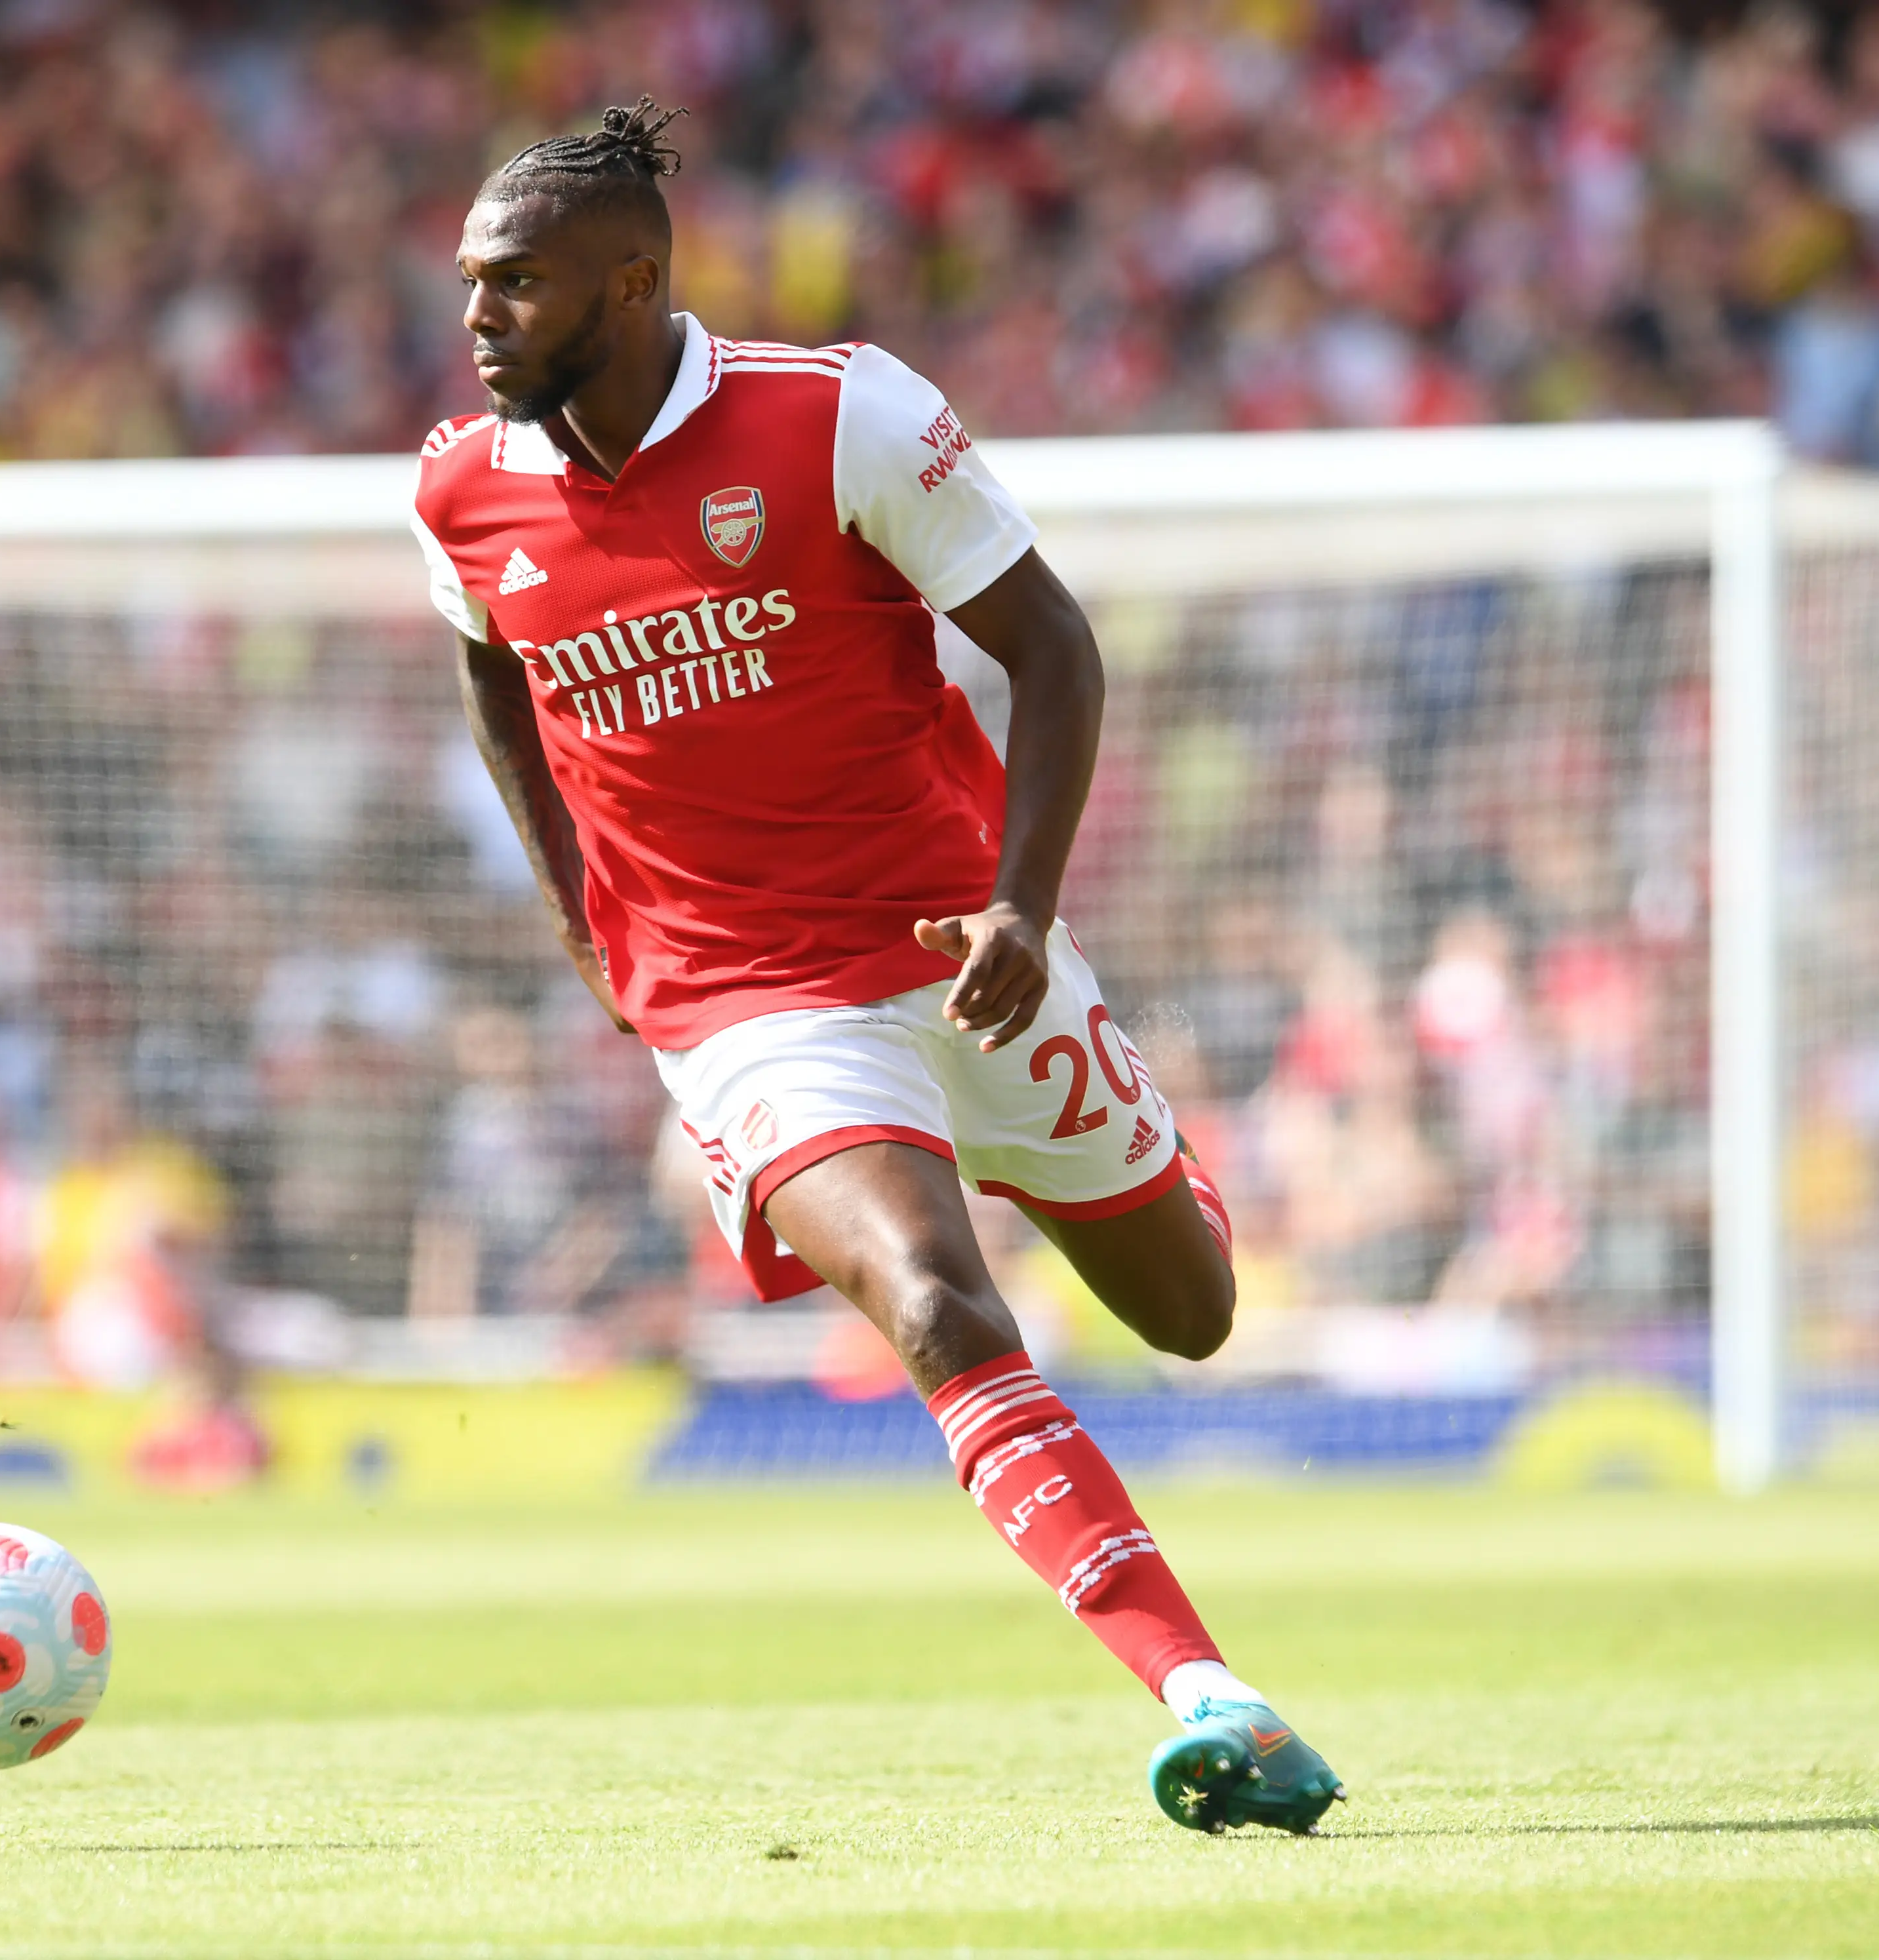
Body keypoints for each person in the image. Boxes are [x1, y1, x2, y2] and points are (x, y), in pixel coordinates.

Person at [412, 99, 1343, 1835]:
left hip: (960, 939)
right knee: (935, 1302)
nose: (476, 321)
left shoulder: (840, 416)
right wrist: (580, 917)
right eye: (470, 284)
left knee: (1193, 1311)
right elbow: (493, 680)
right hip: (742, 994)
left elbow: (1053, 648)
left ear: (632, 281)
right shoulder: (460, 493)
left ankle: (1025, 1133)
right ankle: (1214, 1692)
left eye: (516, 285)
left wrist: (1024, 907)